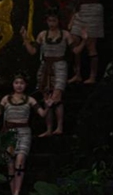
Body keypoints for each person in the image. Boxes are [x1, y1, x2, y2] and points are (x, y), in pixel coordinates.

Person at [20, 9, 86, 137]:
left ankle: (59, 127)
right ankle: (49, 129)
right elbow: (33, 52)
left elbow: (76, 51)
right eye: (49, 20)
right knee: (47, 98)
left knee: (57, 97)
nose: (51, 23)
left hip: (60, 65)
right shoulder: (42, 35)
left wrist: (84, 40)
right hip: (45, 66)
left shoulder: (65, 34)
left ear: (58, 21)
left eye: (54, 20)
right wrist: (25, 39)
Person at [0, 74, 49, 195]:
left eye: (22, 83)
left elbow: (42, 114)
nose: (19, 85)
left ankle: (17, 192)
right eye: (16, 83)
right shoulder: (6, 99)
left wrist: (47, 105)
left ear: (25, 85)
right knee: (10, 162)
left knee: (20, 160)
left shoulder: (30, 100)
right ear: (13, 84)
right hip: (9, 133)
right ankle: (13, 191)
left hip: (24, 132)